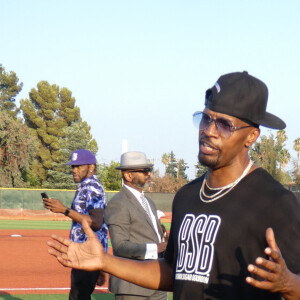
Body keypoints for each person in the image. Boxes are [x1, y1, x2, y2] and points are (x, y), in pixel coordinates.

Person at [47, 72, 300, 300]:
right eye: (205, 119)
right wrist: (104, 261)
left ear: (251, 136)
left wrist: (289, 285)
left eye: (224, 124)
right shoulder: (187, 197)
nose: (208, 131)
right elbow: (172, 272)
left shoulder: (276, 203)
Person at [43, 149, 108, 300]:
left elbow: (97, 222)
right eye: (73, 166)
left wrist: (64, 210)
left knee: (78, 297)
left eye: (79, 166)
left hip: (88, 254)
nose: (75, 170)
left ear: (91, 167)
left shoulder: (92, 186)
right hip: (84, 253)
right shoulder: (85, 185)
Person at [104, 151, 168, 300]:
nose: (149, 175)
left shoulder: (148, 202)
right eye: (144, 171)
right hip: (132, 286)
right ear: (128, 175)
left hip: (158, 281)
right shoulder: (118, 203)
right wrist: (156, 247)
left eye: (149, 170)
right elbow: (120, 246)